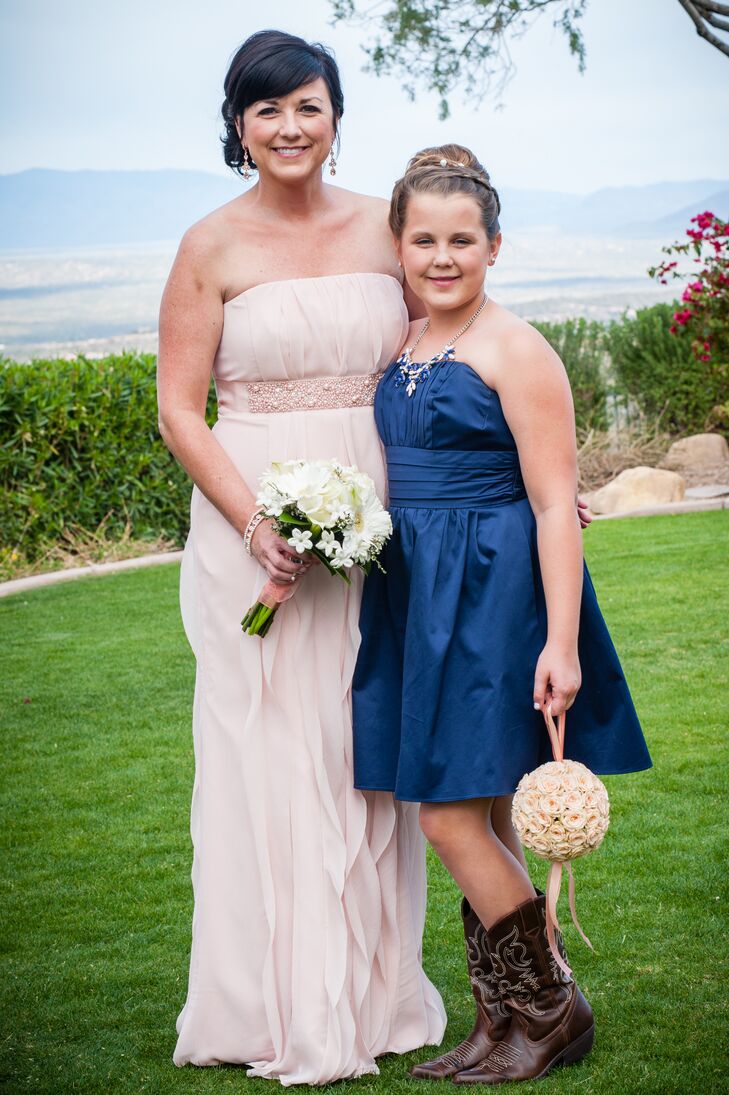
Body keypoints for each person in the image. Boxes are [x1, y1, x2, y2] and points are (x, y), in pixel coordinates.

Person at [156, 31, 446, 1085]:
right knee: (264, 752)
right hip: (251, 526)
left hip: (381, 521)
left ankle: (373, 999)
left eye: (308, 107)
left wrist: (530, 472)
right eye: (267, 109)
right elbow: (181, 413)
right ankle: (261, 1006)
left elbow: (444, 354)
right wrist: (254, 525)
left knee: (361, 748)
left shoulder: (386, 225)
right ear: (238, 125)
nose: (289, 127)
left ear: (336, 117)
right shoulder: (209, 245)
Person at [352, 145, 652, 1085]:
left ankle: (554, 1006)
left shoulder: (515, 348)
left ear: (493, 246)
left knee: (445, 813)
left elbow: (556, 501)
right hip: (418, 590)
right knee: (480, 807)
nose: (441, 257)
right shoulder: (400, 339)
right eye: (422, 239)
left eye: (461, 240)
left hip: (494, 593)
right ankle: (499, 1022)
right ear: (397, 245)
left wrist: (559, 640)